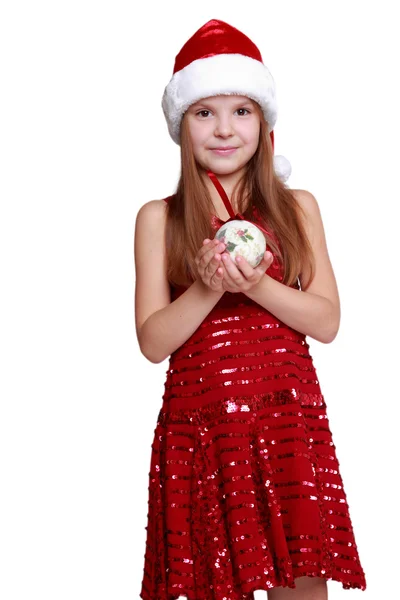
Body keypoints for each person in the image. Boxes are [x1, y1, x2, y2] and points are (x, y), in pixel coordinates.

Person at [134, 18, 367, 600]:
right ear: (181, 125)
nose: (223, 129)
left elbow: (327, 322)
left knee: (303, 587)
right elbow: (153, 341)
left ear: (263, 123)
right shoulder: (159, 218)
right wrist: (209, 286)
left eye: (241, 111)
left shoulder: (298, 208)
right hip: (205, 430)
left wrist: (256, 284)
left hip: (287, 420)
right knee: (212, 584)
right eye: (204, 112)